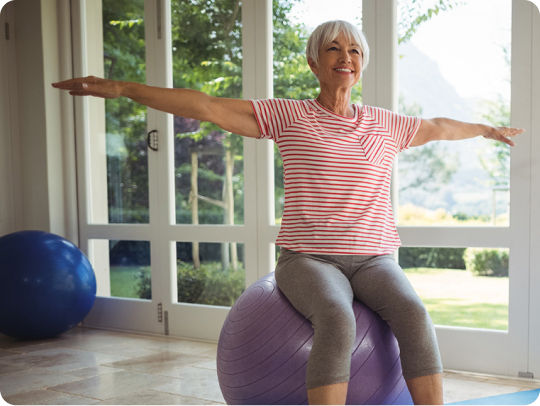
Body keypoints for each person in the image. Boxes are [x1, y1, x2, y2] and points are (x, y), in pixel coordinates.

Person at [53, 20, 523, 405]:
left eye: (355, 50)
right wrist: (121, 87)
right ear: (313, 61)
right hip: (307, 259)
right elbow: (206, 106)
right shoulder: (288, 116)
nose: (346, 57)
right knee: (337, 319)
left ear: (362, 64)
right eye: (334, 49)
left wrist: (485, 128)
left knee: (416, 315)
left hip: (375, 257)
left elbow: (440, 126)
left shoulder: (386, 124)